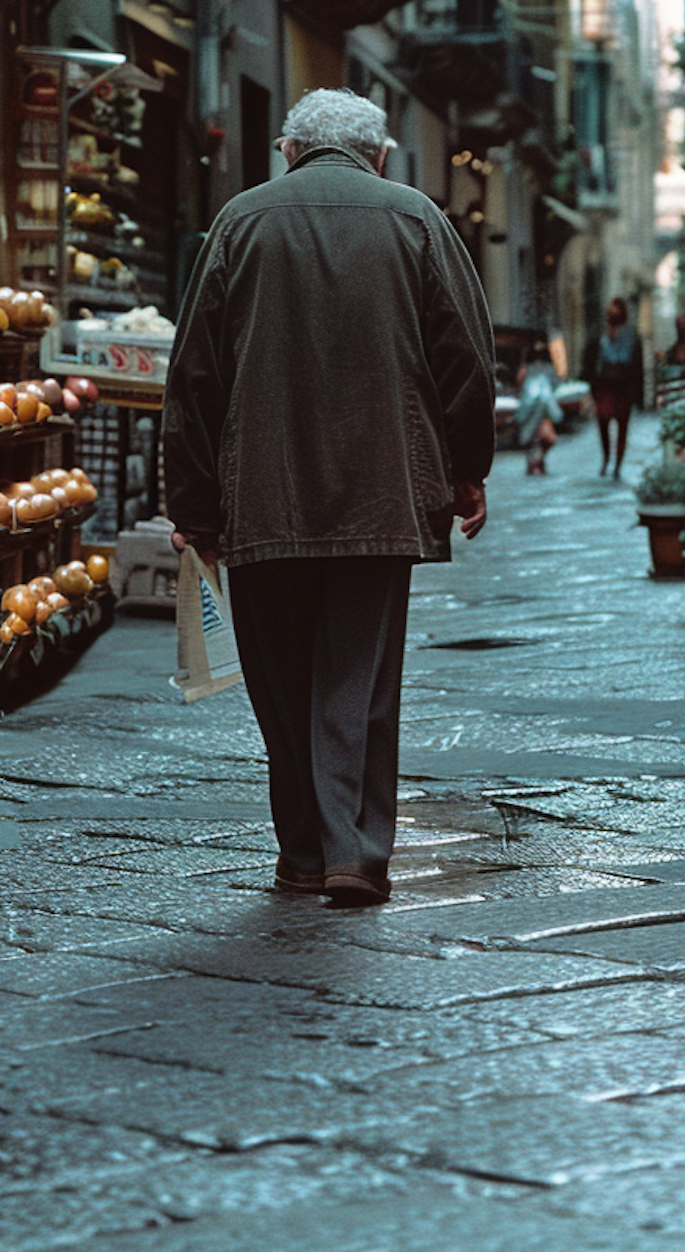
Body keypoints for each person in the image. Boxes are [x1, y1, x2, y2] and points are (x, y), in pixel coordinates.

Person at [162, 89, 495, 907]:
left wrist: (193, 506)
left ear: (287, 150)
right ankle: (353, 851)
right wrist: (466, 469)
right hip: (381, 496)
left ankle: (304, 852)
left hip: (259, 495)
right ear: (380, 154)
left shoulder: (241, 221)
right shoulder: (416, 217)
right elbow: (466, 357)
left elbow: (193, 374)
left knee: (279, 681)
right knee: (359, 679)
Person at [583, 296, 644, 479]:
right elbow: (591, 360)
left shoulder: (631, 334)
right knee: (603, 421)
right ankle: (606, 458)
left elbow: (635, 362)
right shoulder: (599, 334)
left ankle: (617, 463)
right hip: (605, 385)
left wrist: (637, 392)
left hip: (623, 385)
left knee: (622, 425)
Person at [515, 344, 562, 475]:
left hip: (536, 413)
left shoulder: (532, 369)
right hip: (536, 411)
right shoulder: (545, 369)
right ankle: (536, 462)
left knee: (536, 439)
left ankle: (536, 462)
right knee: (536, 440)